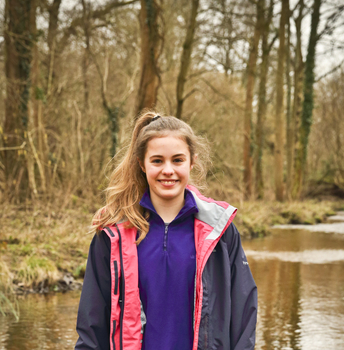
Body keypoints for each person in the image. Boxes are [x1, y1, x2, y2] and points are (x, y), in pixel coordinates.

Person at [75, 111, 257, 350]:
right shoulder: (112, 234)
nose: (168, 170)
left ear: (192, 162)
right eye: (157, 160)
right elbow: (91, 321)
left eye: (178, 160)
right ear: (142, 164)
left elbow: (243, 316)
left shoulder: (220, 232)